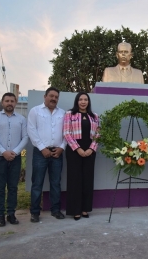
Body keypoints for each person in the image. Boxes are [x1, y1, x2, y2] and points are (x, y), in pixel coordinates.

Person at [0, 93, 29, 227]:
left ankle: (11, 213)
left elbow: (25, 137)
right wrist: (3, 152)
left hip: (15, 158)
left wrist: (15, 152)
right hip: (0, 158)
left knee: (13, 187)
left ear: (15, 102)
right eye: (7, 101)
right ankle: (0, 215)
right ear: (2, 102)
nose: (9, 103)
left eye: (12, 101)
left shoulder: (21, 119)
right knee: (0, 188)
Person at [27, 87, 67, 222]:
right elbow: (31, 130)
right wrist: (42, 148)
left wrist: (62, 147)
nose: (53, 99)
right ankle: (35, 212)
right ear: (45, 96)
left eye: (56, 97)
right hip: (40, 153)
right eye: (51, 96)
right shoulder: (35, 111)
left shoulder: (62, 113)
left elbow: (67, 133)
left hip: (57, 152)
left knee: (56, 183)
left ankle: (55, 210)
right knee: (37, 183)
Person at [63, 92, 99, 220]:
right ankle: (75, 210)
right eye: (80, 99)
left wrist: (91, 149)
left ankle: (85, 209)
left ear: (88, 102)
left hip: (90, 151)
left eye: (85, 99)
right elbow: (66, 133)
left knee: (87, 180)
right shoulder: (69, 114)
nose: (83, 102)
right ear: (77, 101)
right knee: (75, 180)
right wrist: (77, 149)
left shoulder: (94, 116)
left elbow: (98, 135)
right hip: (74, 151)